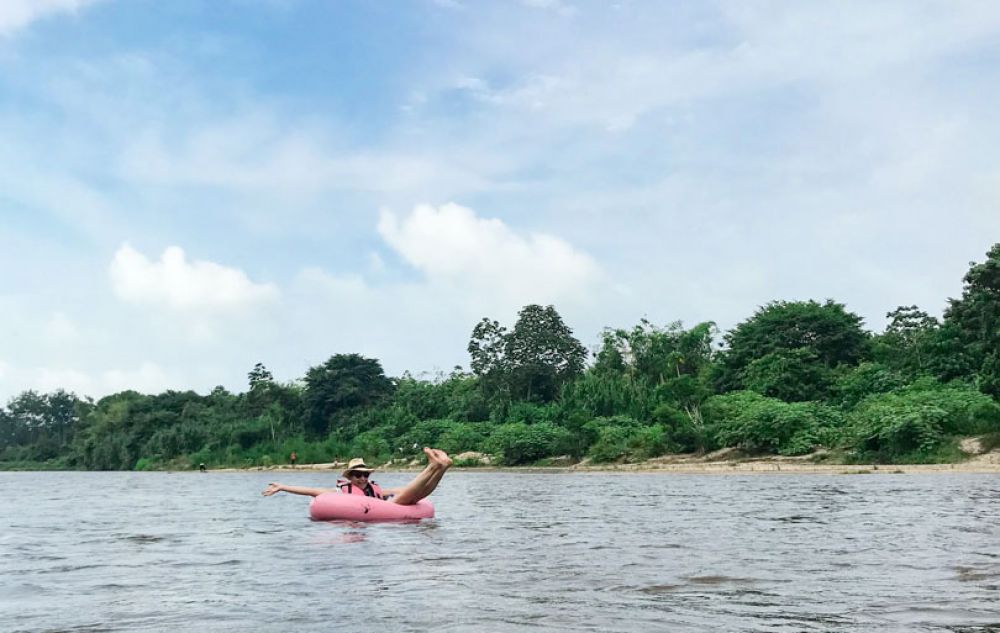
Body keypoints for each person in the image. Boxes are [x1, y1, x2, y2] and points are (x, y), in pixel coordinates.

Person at [261, 447, 452, 506]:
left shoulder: (373, 490)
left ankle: (440, 468)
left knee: (417, 494)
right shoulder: (341, 492)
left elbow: (400, 490)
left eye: (365, 475)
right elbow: (312, 491)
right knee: (408, 496)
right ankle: (434, 467)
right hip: (387, 509)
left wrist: (412, 489)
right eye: (358, 475)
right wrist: (282, 487)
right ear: (350, 478)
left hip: (388, 507)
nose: (362, 478)